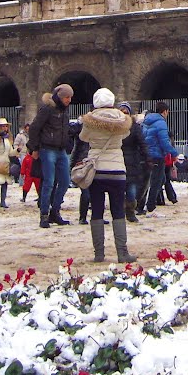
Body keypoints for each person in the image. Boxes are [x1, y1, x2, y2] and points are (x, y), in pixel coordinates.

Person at [78, 88, 136, 263]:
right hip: (117, 169)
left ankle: (99, 253)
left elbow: (83, 137)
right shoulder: (122, 120)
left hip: (97, 170)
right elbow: (126, 135)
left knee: (96, 210)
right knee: (118, 210)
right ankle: (122, 253)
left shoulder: (90, 121)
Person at [28, 83, 74, 228]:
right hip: (47, 149)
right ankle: (44, 214)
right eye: (67, 97)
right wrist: (34, 148)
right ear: (60, 97)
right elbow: (34, 127)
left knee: (65, 181)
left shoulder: (64, 111)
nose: (69, 100)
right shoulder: (47, 109)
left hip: (61, 150)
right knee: (49, 182)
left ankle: (55, 210)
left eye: (70, 97)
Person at [142, 102, 178, 213]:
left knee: (150, 180)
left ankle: (140, 204)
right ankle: (150, 205)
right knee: (157, 181)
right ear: (165, 111)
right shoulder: (161, 122)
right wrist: (174, 153)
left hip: (147, 154)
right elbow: (164, 142)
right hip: (157, 155)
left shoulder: (146, 121)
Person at [118, 101, 149, 222]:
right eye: (122, 111)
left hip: (132, 162)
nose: (124, 114)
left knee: (131, 191)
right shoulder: (115, 126)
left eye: (126, 111)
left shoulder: (134, 127)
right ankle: (120, 211)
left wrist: (146, 157)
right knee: (119, 190)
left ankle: (130, 211)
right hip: (118, 161)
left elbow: (142, 143)